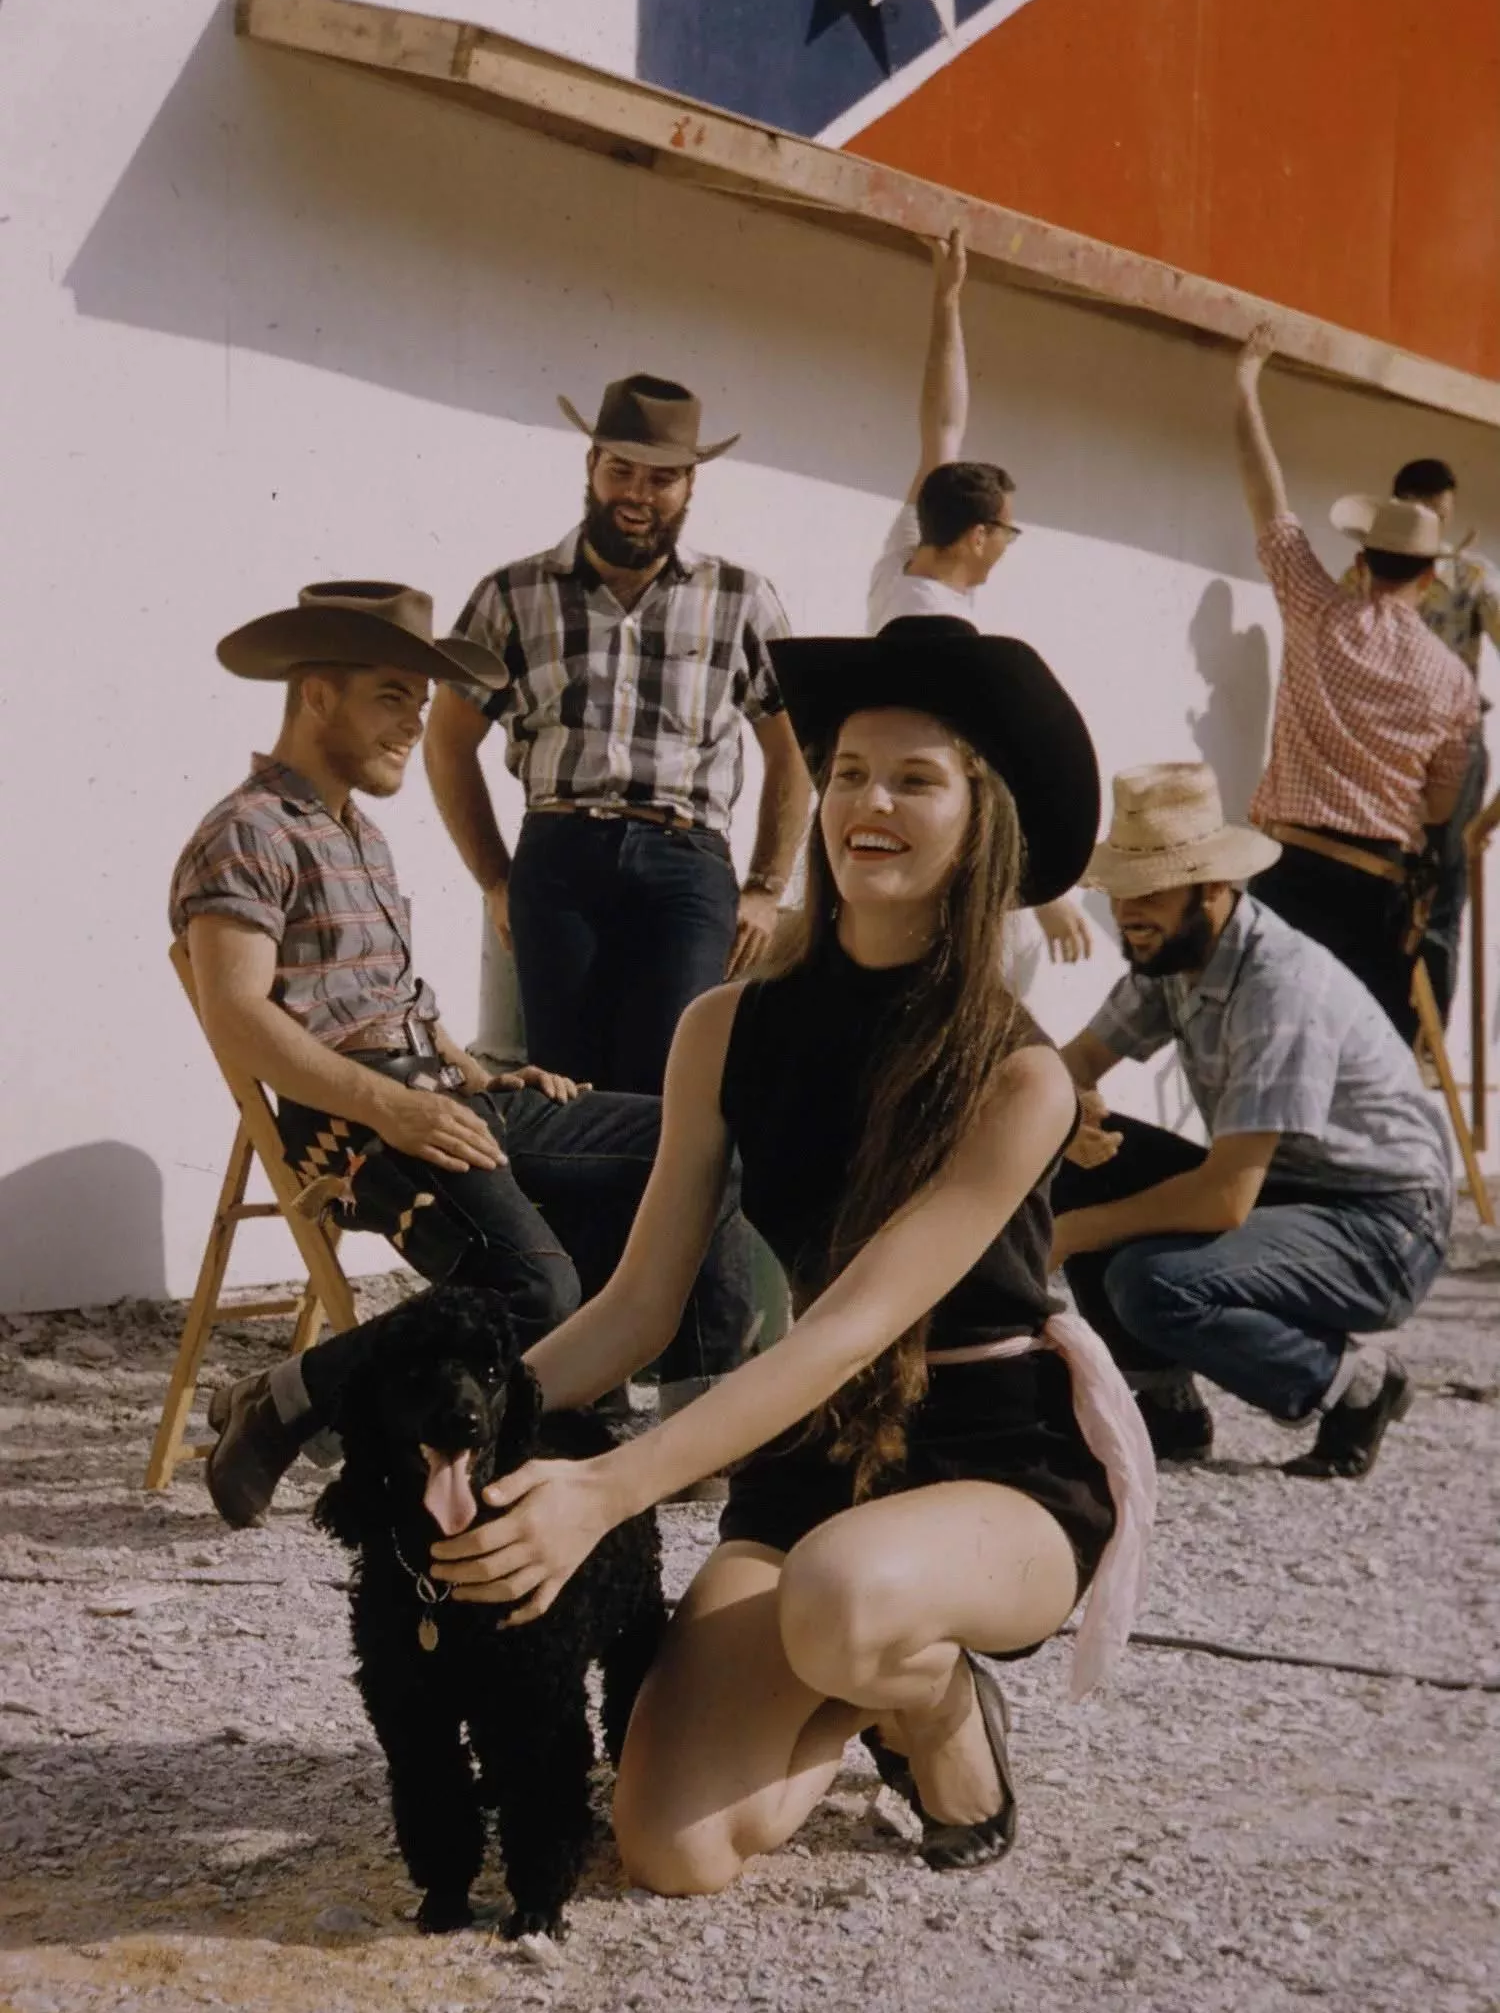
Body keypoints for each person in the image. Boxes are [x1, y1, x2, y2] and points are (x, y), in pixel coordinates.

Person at [420, 614, 1157, 1897]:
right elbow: (641, 1306)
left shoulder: (1019, 1073)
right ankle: (858, 1687)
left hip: (997, 1465)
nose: (872, 803)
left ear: (980, 820)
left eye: (917, 779)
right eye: (853, 772)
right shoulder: (722, 1028)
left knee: (844, 1596)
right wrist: (479, 1421)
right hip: (814, 1462)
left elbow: (844, 1329)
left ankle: (935, 1712)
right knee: (673, 1849)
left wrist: (607, 1491)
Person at [173, 581, 755, 1528]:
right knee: (535, 1287)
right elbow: (236, 1015)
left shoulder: (357, 831)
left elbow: (396, 1004)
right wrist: (388, 1106)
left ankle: (689, 1421)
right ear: (316, 693)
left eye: (421, 702)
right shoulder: (246, 832)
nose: (415, 724)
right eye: (391, 696)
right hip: (355, 1124)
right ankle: (289, 1400)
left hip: (446, 1097)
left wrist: (483, 1074)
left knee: (695, 1139)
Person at [1050, 762, 1452, 1479]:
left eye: (1152, 891)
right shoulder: (1171, 953)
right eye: (1122, 893)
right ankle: (1166, 1410)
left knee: (1151, 1282)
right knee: (1071, 1150)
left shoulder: (1278, 987)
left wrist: (1068, 1236)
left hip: (1386, 1223)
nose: (1129, 913)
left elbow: (1226, 1197)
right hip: (1287, 1189)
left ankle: (1357, 1386)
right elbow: (1070, 1065)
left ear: (1213, 889)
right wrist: (1054, 1112)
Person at [420, 375, 812, 1096]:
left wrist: (765, 885)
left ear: (690, 486)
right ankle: (573, 1217)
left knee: (675, 1087)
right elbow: (446, 744)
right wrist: (495, 879)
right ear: (590, 467)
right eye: (621, 471)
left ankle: (654, 1215)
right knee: (559, 1088)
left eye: (662, 478)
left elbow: (794, 750)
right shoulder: (512, 595)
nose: (637, 493)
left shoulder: (741, 599)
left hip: (687, 864)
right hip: (559, 858)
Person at [1232, 325, 1480, 1044]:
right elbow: (1438, 806)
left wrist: (1246, 387)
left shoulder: (1316, 610)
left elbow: (1267, 500)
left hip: (1291, 869)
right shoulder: (1453, 680)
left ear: (1362, 559)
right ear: (1431, 577)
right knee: (1359, 1060)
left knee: (1272, 1051)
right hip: (1378, 883)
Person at [868, 225, 1093, 971]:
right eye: (1006, 531)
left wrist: (948, 299)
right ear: (976, 535)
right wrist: (1051, 888)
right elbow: (991, 762)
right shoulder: (932, 631)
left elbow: (942, 428)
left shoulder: (900, 564)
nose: (1007, 544)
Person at [1338, 456, 1500, 1022]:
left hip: (1449, 745)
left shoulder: (1473, 578)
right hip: (1381, 740)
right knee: (1375, 875)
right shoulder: (1361, 576)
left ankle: (1422, 1043)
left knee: (1445, 889)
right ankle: (1371, 1020)